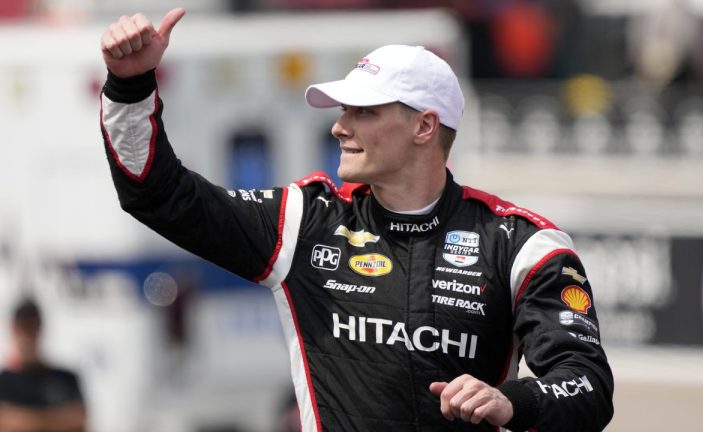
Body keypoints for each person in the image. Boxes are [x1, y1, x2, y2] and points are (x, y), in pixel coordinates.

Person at [99, 8, 613, 431]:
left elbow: (586, 382)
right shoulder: (306, 221)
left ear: (424, 126)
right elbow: (158, 195)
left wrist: (512, 400)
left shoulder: (522, 244)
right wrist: (130, 86)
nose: (340, 126)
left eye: (363, 111)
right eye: (343, 109)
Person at [0, 298, 86, 432]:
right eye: (23, 328)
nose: (28, 336)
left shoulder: (65, 379)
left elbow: (80, 419)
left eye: (33, 327)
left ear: (40, 328)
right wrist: (57, 420)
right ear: (13, 330)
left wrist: (20, 419)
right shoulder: (4, 381)